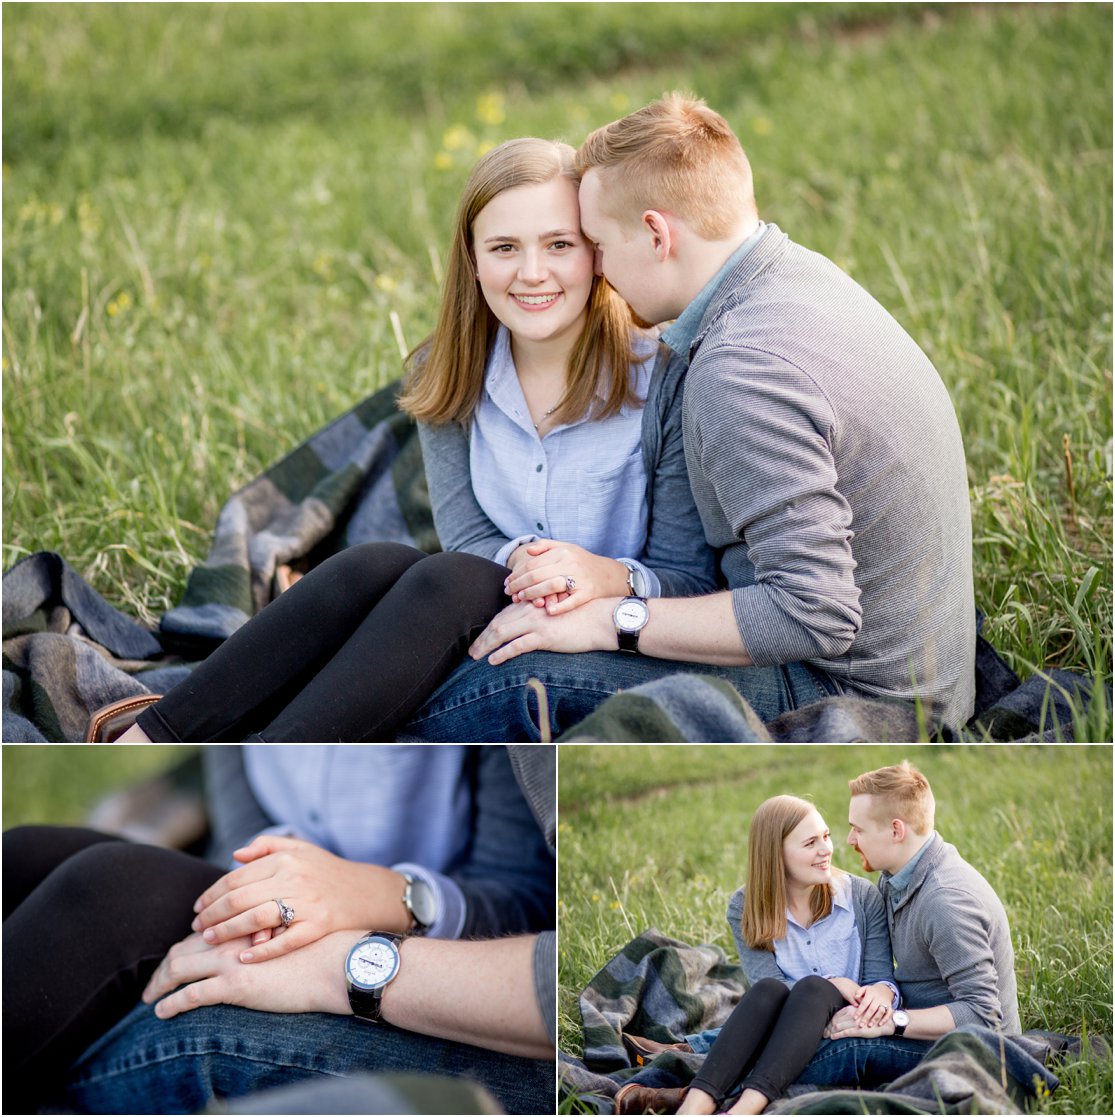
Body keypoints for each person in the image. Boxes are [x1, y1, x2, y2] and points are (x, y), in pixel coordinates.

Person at [397, 92, 976, 743]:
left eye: (593, 244)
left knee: (510, 675)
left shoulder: (736, 372)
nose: (600, 274)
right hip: (923, 664)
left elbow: (813, 617)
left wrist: (612, 618)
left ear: (656, 234)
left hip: (858, 692)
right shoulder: (797, 278)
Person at [97, 134, 714, 743]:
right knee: (375, 564)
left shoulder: (661, 378)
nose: (532, 273)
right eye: (503, 247)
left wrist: (603, 577)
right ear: (472, 261)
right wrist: (527, 562)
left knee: (446, 580)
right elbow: (469, 535)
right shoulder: (445, 373)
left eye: (559, 244)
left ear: (597, 254)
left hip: (618, 631)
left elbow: (689, 576)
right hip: (497, 604)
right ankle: (150, 736)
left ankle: (273, 754)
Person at [2, 745, 556, 1114]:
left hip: (456, 976)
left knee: (112, 894)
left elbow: (530, 902)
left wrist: (367, 913)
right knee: (27, 858)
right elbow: (242, 840)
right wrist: (270, 905)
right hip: (304, 928)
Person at [615, 796, 898, 1115]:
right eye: (810, 843)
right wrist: (834, 982)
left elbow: (880, 980)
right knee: (768, 990)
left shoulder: (862, 897)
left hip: (846, 1028)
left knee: (812, 991)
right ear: (776, 854)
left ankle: (692, 1071)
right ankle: (690, 1108)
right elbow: (770, 987)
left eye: (826, 836)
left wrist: (876, 992)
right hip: (782, 1022)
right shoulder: (745, 906)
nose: (826, 850)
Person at [790, 760, 1019, 1088]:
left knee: (848, 1048)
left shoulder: (945, 903)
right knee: (811, 1021)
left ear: (897, 830)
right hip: (917, 1022)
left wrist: (890, 1022)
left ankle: (719, 1083)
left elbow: (984, 1016)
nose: (850, 839)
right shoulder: (894, 876)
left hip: (974, 1054)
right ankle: (702, 1057)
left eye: (859, 829)